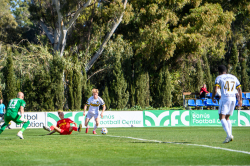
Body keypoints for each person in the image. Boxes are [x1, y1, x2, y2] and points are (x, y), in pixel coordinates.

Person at [212, 65, 242, 143]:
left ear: (219, 71)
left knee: (222, 117)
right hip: (233, 98)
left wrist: (212, 97)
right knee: (227, 118)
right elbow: (239, 89)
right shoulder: (233, 77)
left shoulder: (219, 77)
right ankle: (230, 135)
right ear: (226, 70)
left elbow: (215, 89)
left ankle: (229, 135)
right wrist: (240, 100)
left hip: (225, 98)